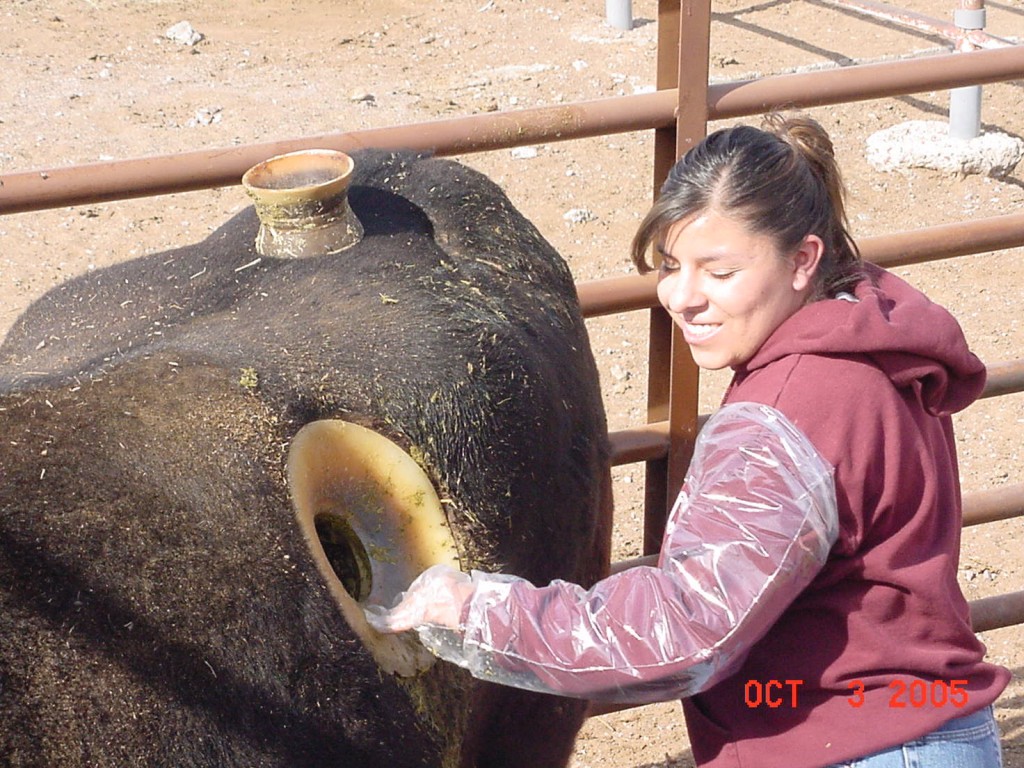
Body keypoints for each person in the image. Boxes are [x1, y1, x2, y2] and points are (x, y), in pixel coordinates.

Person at [367, 113, 1010, 768]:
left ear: (803, 259)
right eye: (672, 265)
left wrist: (479, 612)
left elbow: (689, 628)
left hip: (854, 746)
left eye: (720, 272)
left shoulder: (786, 413)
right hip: (924, 731)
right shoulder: (872, 342)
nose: (683, 297)